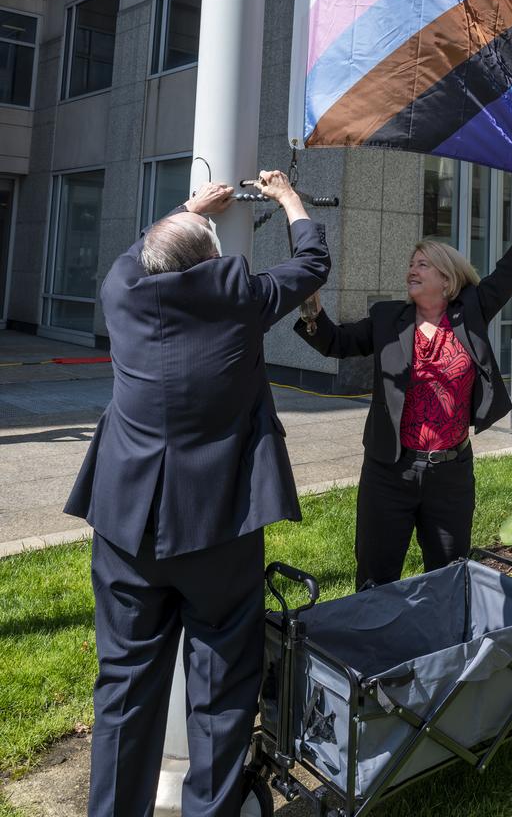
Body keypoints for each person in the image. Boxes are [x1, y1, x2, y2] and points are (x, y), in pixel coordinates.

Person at [64, 170, 330, 817]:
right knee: (220, 685)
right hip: (218, 526)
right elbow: (312, 261)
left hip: (126, 523)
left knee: (124, 689)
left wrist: (188, 207)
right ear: (211, 262)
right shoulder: (239, 296)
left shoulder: (123, 291)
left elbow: (138, 252)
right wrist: (289, 198)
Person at [295, 184, 512, 588]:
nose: (412, 269)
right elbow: (337, 342)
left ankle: (439, 646)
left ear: (447, 278)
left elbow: (510, 269)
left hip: (450, 472)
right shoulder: (389, 319)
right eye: (411, 263)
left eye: (422, 264)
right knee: (375, 575)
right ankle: (374, 648)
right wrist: (310, 308)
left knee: (448, 574)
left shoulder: (471, 311)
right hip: (391, 469)